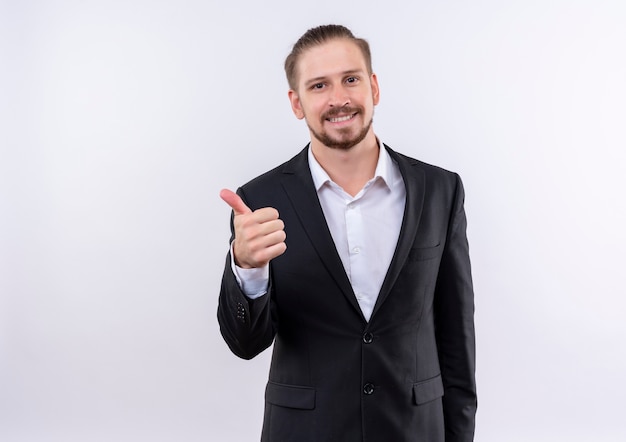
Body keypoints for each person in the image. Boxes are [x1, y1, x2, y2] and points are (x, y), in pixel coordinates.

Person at [217, 24, 476, 442]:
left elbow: (456, 337)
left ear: (374, 87)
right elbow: (245, 343)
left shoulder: (441, 191)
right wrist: (246, 268)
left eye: (351, 79)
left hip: (414, 430)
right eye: (318, 85)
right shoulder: (259, 202)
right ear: (296, 103)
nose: (339, 99)